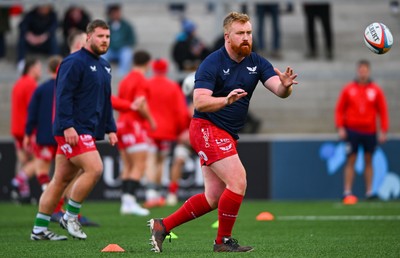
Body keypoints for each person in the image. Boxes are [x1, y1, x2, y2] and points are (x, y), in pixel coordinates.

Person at [148, 12, 297, 253]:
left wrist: (286, 87)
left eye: (249, 32)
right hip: (206, 128)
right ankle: (222, 241)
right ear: (228, 37)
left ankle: (162, 225)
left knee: (213, 198)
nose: (246, 37)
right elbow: (199, 102)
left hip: (226, 133)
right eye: (241, 33)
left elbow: (279, 90)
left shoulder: (257, 62)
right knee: (238, 181)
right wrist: (225, 101)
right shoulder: (212, 63)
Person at [30, 19, 117, 241]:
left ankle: (39, 230)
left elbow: (105, 100)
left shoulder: (105, 65)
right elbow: (63, 96)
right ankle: (70, 216)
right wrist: (67, 125)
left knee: (60, 180)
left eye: (107, 37)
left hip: (86, 129)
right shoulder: (73, 62)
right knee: (95, 168)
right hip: (73, 129)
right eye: (100, 36)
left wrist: (111, 128)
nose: (104, 40)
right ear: (88, 37)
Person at [335, 60, 389, 204]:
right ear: (357, 71)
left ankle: (369, 191)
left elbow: (382, 111)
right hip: (352, 130)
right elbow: (340, 109)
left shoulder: (376, 90)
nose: (363, 72)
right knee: (351, 159)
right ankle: (347, 191)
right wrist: (340, 127)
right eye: (361, 70)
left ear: (368, 71)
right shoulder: (348, 89)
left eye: (365, 70)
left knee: (369, 160)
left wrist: (383, 130)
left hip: (369, 130)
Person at [114, 50, 156, 216]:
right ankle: (130, 201)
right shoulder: (141, 80)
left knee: (128, 165)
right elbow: (140, 104)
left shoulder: (125, 80)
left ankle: (126, 202)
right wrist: (152, 121)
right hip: (134, 124)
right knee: (139, 164)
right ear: (148, 63)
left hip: (122, 123)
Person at [144, 58, 189, 209]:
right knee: (161, 161)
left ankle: (152, 194)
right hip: (167, 130)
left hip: (149, 128)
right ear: (166, 69)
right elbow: (181, 112)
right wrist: (180, 129)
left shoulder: (147, 84)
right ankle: (157, 194)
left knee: (150, 159)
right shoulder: (173, 87)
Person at [24, 55, 62, 193]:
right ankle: (58, 203)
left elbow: (31, 113)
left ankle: (48, 195)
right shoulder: (66, 88)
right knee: (62, 173)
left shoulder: (40, 89)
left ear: (48, 70)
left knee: (42, 171)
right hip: (62, 137)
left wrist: (28, 134)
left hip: (44, 136)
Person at [10, 57, 42, 203]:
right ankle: (17, 182)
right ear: (32, 68)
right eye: (39, 67)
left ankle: (24, 195)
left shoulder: (18, 83)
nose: (40, 70)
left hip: (16, 128)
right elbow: (33, 108)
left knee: (24, 161)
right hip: (26, 129)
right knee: (38, 159)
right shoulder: (30, 84)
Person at [17, 4, 59, 70]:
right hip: (31, 42)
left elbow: (54, 27)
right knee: (22, 38)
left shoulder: (52, 15)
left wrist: (44, 37)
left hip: (45, 42)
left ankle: (55, 63)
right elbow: (22, 26)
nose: (43, 9)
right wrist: (30, 36)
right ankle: (21, 62)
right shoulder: (31, 14)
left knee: (53, 40)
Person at [102, 4, 136, 77]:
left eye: (117, 12)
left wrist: (121, 44)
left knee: (127, 53)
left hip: (122, 50)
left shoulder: (126, 25)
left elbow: (132, 40)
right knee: (102, 54)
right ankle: (104, 73)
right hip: (109, 49)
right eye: (114, 13)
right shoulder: (105, 25)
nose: (116, 15)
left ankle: (122, 74)